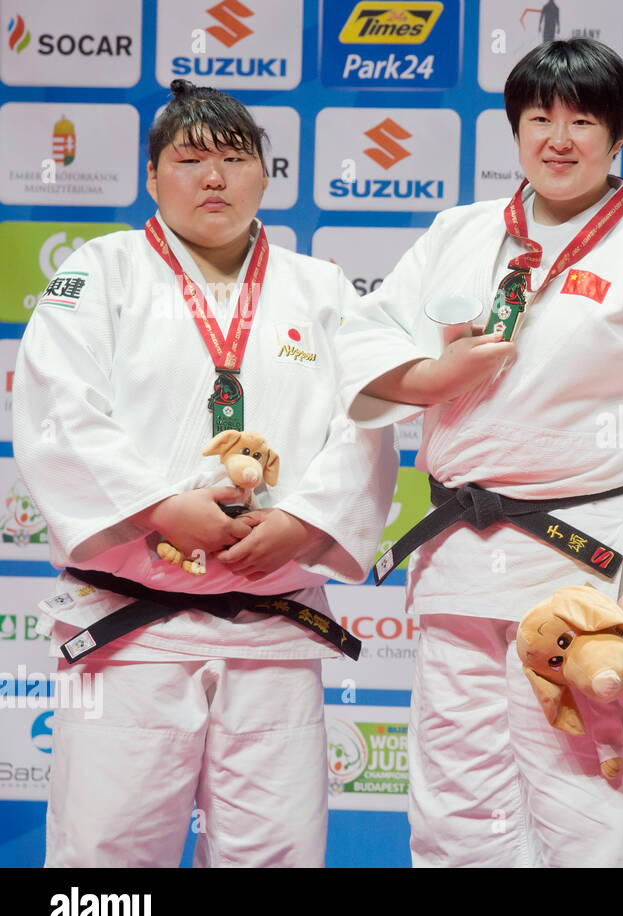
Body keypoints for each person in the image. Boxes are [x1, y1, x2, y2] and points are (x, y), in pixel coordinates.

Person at [337, 38, 623, 867]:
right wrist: (435, 372)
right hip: (462, 559)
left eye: (581, 120)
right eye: (539, 117)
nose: (558, 137)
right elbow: (364, 339)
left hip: (590, 569)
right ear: (514, 128)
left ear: (617, 137)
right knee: (456, 804)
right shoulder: (459, 232)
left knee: (597, 803)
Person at [14, 80, 398, 867]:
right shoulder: (98, 276)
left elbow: (364, 423)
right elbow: (59, 411)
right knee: (107, 856)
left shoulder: (320, 289)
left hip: (273, 625)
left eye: (233, 158)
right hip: (132, 632)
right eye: (189, 160)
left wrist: (302, 523)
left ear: (267, 173)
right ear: (153, 178)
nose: (213, 178)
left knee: (279, 852)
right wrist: (160, 507)